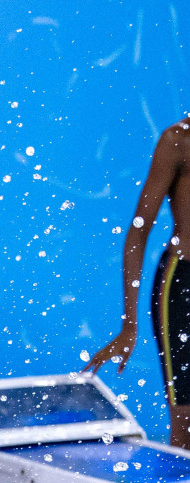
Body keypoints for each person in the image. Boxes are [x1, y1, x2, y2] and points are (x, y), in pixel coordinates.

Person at [85, 117, 190, 447]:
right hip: (183, 284)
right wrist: (129, 324)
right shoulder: (178, 140)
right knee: (186, 426)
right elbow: (139, 231)